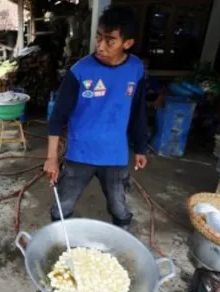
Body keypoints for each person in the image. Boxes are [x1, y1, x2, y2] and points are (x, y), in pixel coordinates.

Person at [43, 6, 148, 231]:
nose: (100, 46)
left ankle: (121, 240)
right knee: (64, 204)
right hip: (79, 153)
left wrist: (140, 147)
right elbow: (57, 117)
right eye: (98, 37)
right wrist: (52, 158)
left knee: (119, 207)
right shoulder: (79, 71)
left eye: (110, 40)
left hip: (115, 155)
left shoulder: (136, 69)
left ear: (127, 43)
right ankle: (59, 240)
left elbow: (138, 111)